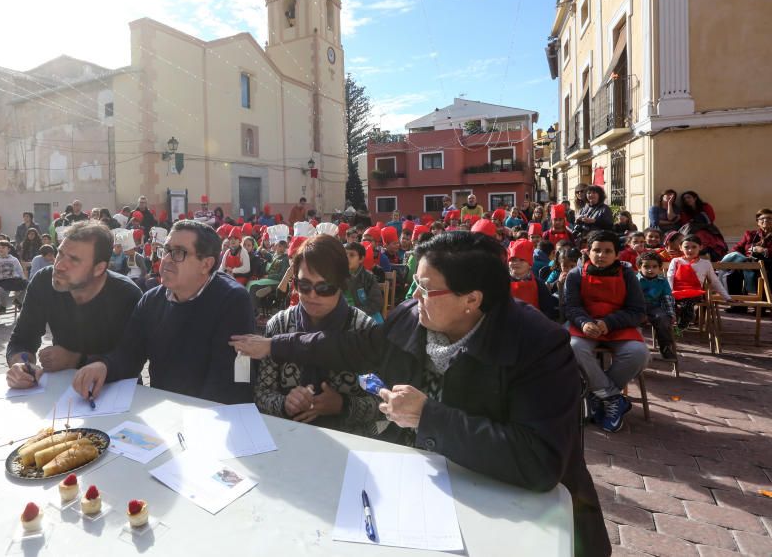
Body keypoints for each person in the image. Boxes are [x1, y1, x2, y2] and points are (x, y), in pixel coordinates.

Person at [230, 231, 608, 557]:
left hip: (515, 509)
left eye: (426, 288)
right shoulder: (415, 315)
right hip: (423, 492)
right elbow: (352, 346)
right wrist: (275, 346)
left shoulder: (539, 346)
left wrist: (428, 416)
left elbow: (539, 462)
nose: (414, 294)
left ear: (471, 300)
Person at [72, 220, 255, 404]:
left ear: (206, 264)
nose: (166, 259)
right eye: (166, 250)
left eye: (178, 253)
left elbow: (234, 378)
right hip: (163, 411)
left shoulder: (232, 301)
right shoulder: (152, 300)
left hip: (210, 416)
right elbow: (130, 352)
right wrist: (104, 366)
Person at [255, 235, 380, 436]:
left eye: (325, 288)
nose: (312, 295)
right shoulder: (279, 325)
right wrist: (286, 403)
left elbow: (383, 403)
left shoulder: (363, 329)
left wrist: (342, 405)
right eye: (304, 285)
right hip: (289, 437)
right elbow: (262, 392)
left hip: (352, 444)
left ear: (341, 284)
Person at [5, 222, 142, 388]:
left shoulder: (126, 294)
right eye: (60, 254)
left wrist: (76, 359)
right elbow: (22, 339)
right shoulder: (44, 281)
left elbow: (133, 358)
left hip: (119, 392)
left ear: (99, 269)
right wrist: (21, 364)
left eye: (74, 260)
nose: (59, 265)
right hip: (61, 389)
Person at [564, 229, 649, 434]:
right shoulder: (576, 274)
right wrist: (584, 322)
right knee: (572, 347)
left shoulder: (628, 275)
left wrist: (608, 323)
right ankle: (612, 398)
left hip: (619, 326)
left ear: (617, 254)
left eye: (607, 251)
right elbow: (571, 307)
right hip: (584, 326)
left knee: (639, 353)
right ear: (588, 251)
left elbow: (637, 311)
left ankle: (596, 394)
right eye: (597, 250)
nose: (601, 255)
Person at [667, 235, 732, 328]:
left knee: (687, 304)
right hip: (676, 293)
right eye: (686, 247)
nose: (690, 250)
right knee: (668, 304)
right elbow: (670, 277)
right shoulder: (676, 261)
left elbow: (715, 281)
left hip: (694, 293)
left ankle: (681, 327)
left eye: (694, 247)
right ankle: (672, 324)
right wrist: (670, 293)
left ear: (700, 247)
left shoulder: (705, 263)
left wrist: (727, 297)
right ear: (680, 247)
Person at [721, 208, 772, 299]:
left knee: (763, 275)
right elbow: (737, 248)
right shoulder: (750, 234)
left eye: (769, 218)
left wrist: (764, 251)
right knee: (733, 274)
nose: (765, 220)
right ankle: (738, 303)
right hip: (748, 264)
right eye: (762, 219)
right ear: (757, 222)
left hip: (768, 265)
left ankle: (761, 305)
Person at [636, 251, 677, 361]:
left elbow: (667, 298)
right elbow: (631, 297)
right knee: (634, 322)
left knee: (664, 320)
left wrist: (670, 314)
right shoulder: (635, 280)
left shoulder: (662, 281)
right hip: (638, 307)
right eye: (646, 266)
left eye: (654, 267)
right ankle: (637, 350)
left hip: (655, 307)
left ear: (659, 268)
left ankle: (666, 348)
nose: (650, 270)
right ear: (639, 267)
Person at [507, 239, 557, 320]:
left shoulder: (539, 285)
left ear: (530, 264)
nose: (516, 263)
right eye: (513, 260)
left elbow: (548, 311)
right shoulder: (502, 283)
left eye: (521, 260)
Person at [343, 242, 383, 323]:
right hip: (344, 318)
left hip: (368, 318)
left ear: (361, 259)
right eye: (345, 254)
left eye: (351, 255)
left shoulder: (369, 277)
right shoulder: (339, 277)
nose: (347, 258)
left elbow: (376, 303)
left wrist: (354, 314)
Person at [0, 240, 28, 312]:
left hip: (15, 279)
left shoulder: (14, 259)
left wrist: (24, 279)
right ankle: (3, 305)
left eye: (3, 247)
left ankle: (18, 300)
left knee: (28, 285)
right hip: (2, 281)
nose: (1, 249)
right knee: (3, 290)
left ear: (8, 249)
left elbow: (20, 271)